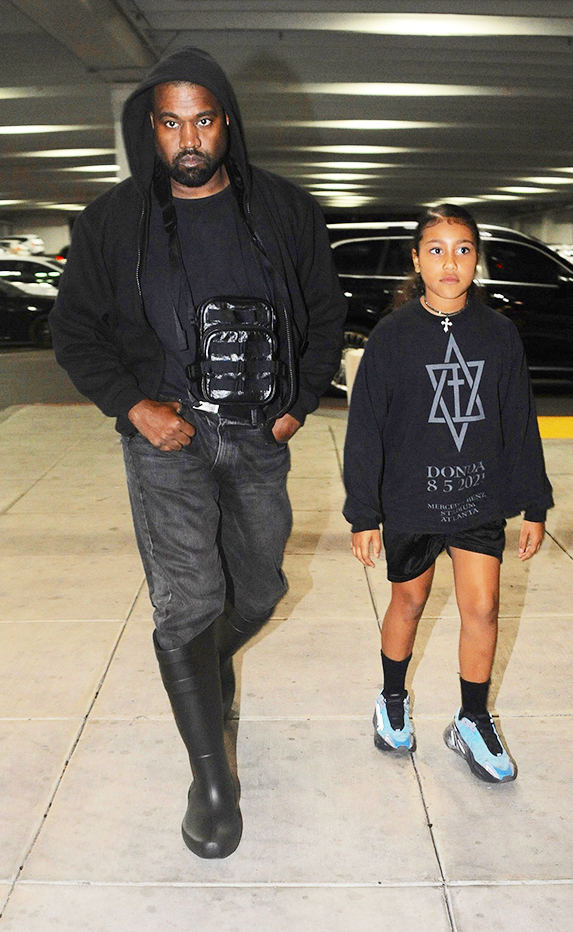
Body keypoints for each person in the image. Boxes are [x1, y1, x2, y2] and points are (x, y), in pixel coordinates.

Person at [50, 47, 346, 858]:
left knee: (260, 587)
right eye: (171, 123)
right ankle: (213, 783)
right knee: (188, 600)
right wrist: (134, 406)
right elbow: (73, 332)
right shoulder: (111, 223)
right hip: (167, 437)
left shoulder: (285, 211)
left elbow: (324, 313)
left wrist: (297, 405)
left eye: (203, 120)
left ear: (227, 123)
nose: (189, 139)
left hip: (258, 432)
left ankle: (203, 672)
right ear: (150, 129)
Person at [343, 204, 553, 784]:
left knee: (482, 607)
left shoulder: (498, 333)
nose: (450, 262)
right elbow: (366, 428)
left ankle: (472, 719)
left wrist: (534, 501)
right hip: (411, 498)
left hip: (478, 496)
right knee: (409, 602)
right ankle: (391, 698)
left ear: (476, 259)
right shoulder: (392, 336)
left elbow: (519, 419)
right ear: (417, 260)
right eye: (436, 250)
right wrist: (364, 512)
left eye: (463, 249)